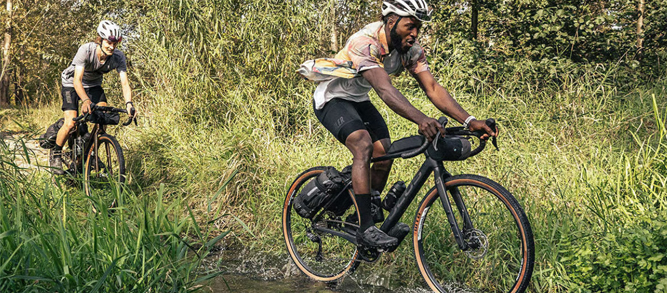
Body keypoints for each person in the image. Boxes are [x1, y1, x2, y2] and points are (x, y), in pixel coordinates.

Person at [298, 0, 497, 250]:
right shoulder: (365, 42)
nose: (414, 34)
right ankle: (366, 229)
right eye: (409, 26)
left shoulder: (410, 50)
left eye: (418, 28)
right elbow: (385, 89)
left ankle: (364, 211)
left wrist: (470, 120)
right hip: (331, 98)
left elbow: (433, 88)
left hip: (358, 99)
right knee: (363, 145)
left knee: (384, 152)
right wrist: (422, 119)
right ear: (391, 21)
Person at [50, 20, 136, 174]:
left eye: (115, 43)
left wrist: (129, 103)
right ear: (100, 39)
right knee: (70, 123)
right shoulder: (86, 50)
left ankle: (92, 152)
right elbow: (77, 81)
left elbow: (124, 83)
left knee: (103, 118)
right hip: (72, 83)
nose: (112, 46)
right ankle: (56, 153)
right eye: (109, 42)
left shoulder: (118, 57)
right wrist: (85, 101)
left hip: (93, 85)